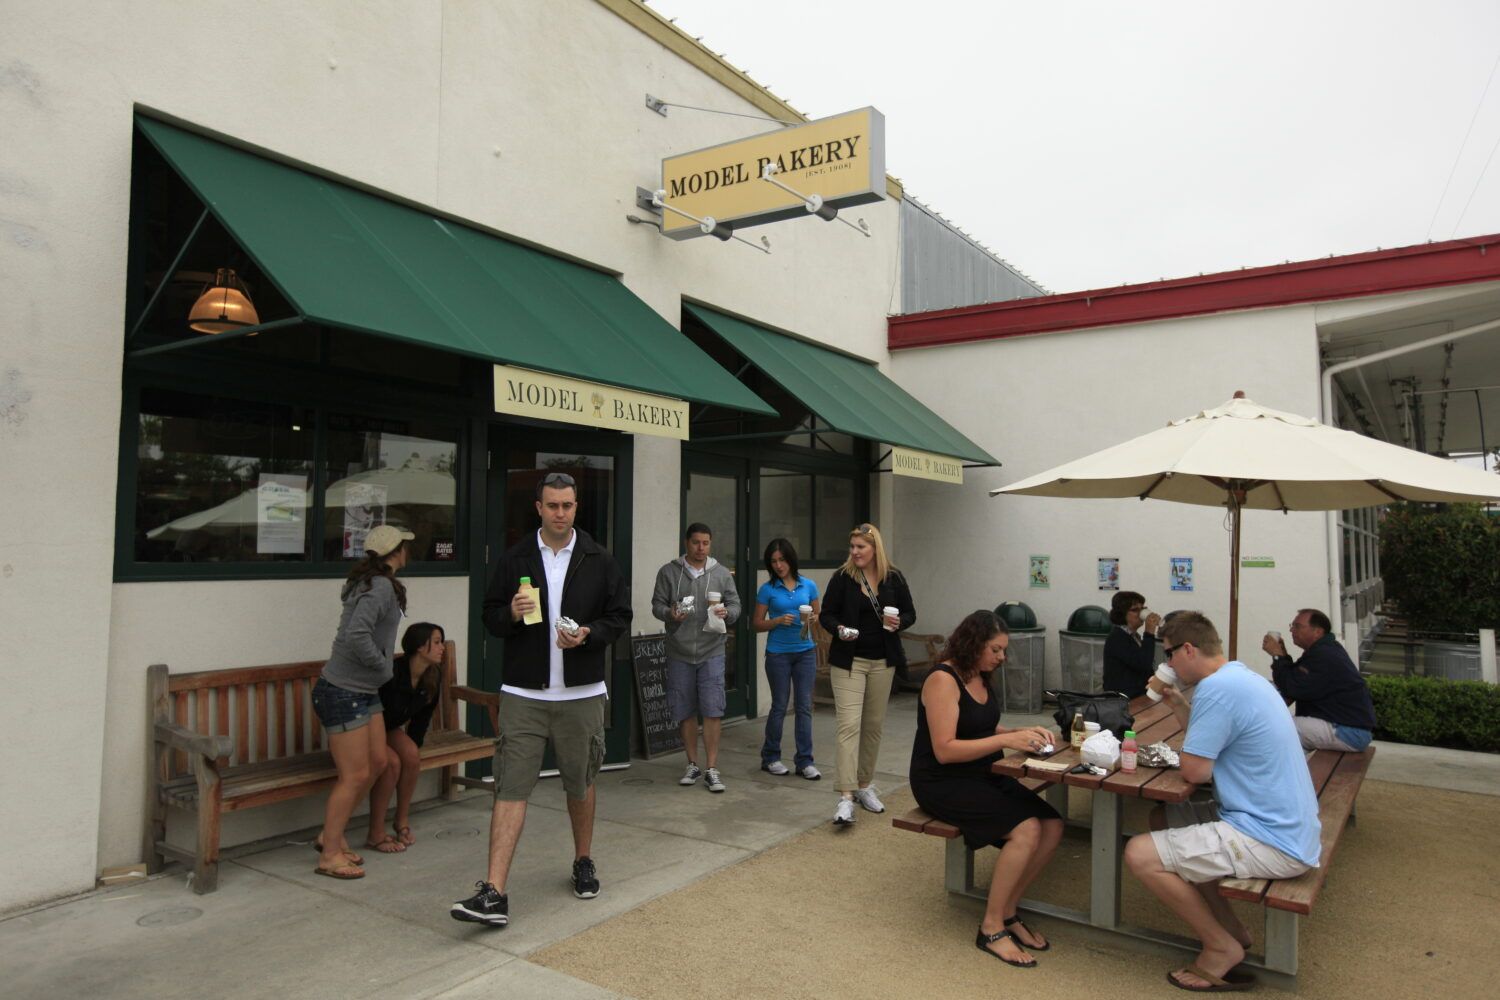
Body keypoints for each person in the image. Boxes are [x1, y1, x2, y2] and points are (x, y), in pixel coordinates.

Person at [451, 472, 631, 928]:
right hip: (523, 693)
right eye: (552, 505)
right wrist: (509, 613)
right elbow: (489, 615)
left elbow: (619, 616)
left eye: (567, 505)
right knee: (511, 786)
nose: (560, 513)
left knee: (581, 782)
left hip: (582, 693)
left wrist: (590, 634)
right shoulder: (515, 558)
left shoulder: (598, 559)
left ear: (576, 508)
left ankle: (583, 860)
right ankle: (494, 892)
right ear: (538, 507)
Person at [1124, 611, 1322, 992]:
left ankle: (1220, 947)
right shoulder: (1241, 677)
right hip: (1289, 825)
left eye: (1168, 655)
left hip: (1272, 837)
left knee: (1138, 853)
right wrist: (1179, 705)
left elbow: (1196, 772)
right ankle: (1231, 930)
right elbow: (1212, 742)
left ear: (1187, 649)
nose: (1166, 664)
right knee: (1165, 818)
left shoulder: (1217, 689)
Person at [911, 610, 1063, 968]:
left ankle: (1008, 911)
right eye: (996, 650)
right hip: (941, 781)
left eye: (1003, 651)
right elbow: (945, 749)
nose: (1001, 658)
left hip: (980, 772)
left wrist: (1022, 735)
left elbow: (979, 727)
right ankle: (991, 927)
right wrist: (1010, 739)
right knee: (1026, 829)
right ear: (974, 644)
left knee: (1053, 825)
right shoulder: (942, 680)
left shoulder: (980, 674)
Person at [311, 523, 413, 880]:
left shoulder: (371, 583)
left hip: (363, 692)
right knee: (354, 775)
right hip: (343, 691)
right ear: (396, 551)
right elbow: (357, 635)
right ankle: (330, 855)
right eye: (405, 546)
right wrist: (383, 666)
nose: (409, 551)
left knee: (378, 762)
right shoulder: (380, 586)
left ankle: (331, 837)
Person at [818, 522, 915, 826]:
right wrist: (839, 629)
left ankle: (864, 786)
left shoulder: (893, 578)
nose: (855, 552)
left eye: (861, 547)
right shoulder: (843, 578)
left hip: (882, 661)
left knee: (873, 727)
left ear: (875, 549)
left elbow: (910, 612)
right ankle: (845, 797)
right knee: (848, 726)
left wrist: (900, 623)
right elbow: (826, 614)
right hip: (849, 661)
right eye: (852, 547)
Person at [650, 522, 741, 792]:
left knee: (713, 709)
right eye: (696, 543)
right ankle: (692, 763)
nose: (701, 548)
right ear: (686, 543)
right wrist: (669, 613)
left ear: (710, 544)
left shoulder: (722, 573)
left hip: (712, 649)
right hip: (679, 650)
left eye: (706, 543)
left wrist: (728, 613)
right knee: (685, 709)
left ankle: (712, 768)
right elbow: (656, 604)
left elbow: (736, 604)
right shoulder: (669, 572)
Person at [366, 621, 447, 853]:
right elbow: (374, 709)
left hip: (389, 728)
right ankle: (375, 831)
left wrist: (412, 742)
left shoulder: (432, 676)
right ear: (420, 647)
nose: (442, 648)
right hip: (368, 727)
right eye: (437, 642)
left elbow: (423, 716)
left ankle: (401, 822)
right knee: (391, 763)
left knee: (411, 754)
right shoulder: (392, 672)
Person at [752, 538, 822, 780]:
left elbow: (817, 614)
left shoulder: (808, 585)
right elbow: (757, 624)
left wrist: (812, 619)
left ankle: (805, 761)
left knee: (804, 707)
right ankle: (770, 757)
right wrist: (777, 621)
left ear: (791, 559)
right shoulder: (768, 589)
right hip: (778, 654)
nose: (779, 565)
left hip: (805, 652)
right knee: (780, 706)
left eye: (782, 560)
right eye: (773, 561)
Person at [1263, 609, 1377, 751]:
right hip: (1345, 727)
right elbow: (1294, 679)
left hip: (1349, 731)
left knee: (1278, 728)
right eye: (1292, 625)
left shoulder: (1325, 655)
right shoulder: (1323, 650)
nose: (1292, 630)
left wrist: (1278, 656)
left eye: (1297, 626)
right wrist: (1283, 655)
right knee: (1284, 732)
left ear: (1317, 632)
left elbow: (1293, 687)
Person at [1103, 590, 1161, 698]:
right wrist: (1149, 632)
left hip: (1138, 696)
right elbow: (1143, 664)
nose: (1141, 614)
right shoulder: (1117, 638)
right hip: (1122, 701)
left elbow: (1146, 668)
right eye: (1135, 610)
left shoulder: (1133, 636)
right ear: (1122, 614)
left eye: (1142, 609)